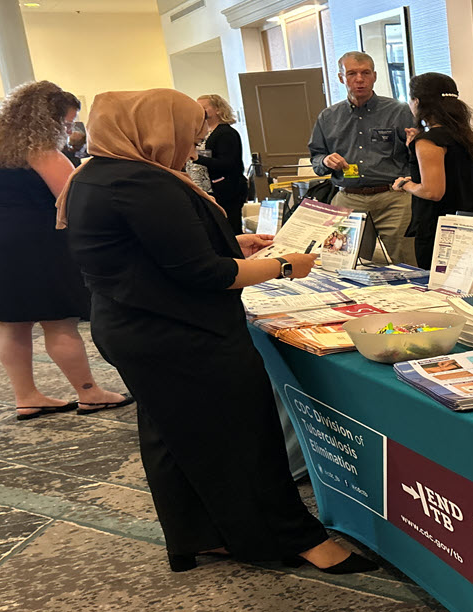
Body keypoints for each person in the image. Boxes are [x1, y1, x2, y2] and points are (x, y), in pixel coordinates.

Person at [61, 88, 378, 575]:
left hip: (136, 325)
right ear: (153, 132)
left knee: (174, 434)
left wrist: (232, 244)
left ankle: (200, 534)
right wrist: (283, 266)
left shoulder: (95, 174)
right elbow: (206, 274)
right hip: (183, 333)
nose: (194, 147)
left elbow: (153, 254)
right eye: (188, 135)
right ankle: (290, 539)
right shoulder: (142, 182)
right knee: (243, 434)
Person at [0, 81, 131, 420]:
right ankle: (89, 393)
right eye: (66, 122)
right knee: (58, 321)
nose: (68, 129)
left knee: (10, 324)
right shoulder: (40, 150)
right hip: (33, 245)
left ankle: (27, 397)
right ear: (47, 119)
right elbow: (73, 200)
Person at [309, 51, 418, 265]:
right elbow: (316, 158)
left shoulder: (398, 111)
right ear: (341, 78)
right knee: (341, 263)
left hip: (393, 198)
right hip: (348, 198)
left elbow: (417, 156)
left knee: (407, 263)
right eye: (351, 74)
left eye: (365, 73)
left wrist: (416, 144)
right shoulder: (328, 117)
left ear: (374, 76)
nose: (359, 79)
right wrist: (325, 161)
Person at [391, 72, 473, 270]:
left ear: (417, 102)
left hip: (440, 230)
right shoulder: (466, 136)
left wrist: (406, 184)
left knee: (438, 287)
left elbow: (432, 192)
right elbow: (455, 175)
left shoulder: (430, 140)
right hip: (472, 223)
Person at [194, 94, 248, 237]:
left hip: (227, 190)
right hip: (207, 188)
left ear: (218, 109)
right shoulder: (204, 132)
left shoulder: (226, 133)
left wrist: (195, 157)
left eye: (204, 107)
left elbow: (228, 164)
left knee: (230, 230)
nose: (200, 111)